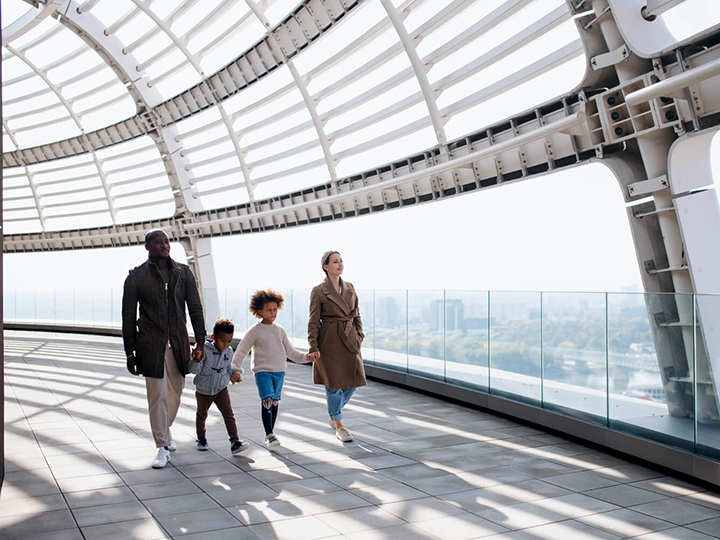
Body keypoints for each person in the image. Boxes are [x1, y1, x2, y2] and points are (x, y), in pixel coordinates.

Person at [122, 229, 206, 469]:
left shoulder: (183, 272)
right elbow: (128, 317)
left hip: (178, 342)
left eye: (167, 241)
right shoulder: (136, 277)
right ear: (147, 247)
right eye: (157, 242)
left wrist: (200, 340)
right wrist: (130, 353)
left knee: (176, 392)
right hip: (149, 345)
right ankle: (161, 445)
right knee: (156, 395)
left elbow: (195, 307)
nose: (164, 245)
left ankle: (165, 429)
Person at [230, 289, 318, 447]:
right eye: (269, 310)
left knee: (275, 401)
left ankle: (271, 432)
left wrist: (307, 357)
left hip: (279, 372)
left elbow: (291, 352)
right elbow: (242, 350)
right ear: (260, 311)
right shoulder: (255, 331)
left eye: (275, 309)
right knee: (267, 399)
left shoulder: (280, 331)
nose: (273, 313)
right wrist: (236, 369)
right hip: (262, 372)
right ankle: (269, 434)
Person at [308, 251, 366, 442]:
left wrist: (359, 335)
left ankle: (334, 413)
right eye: (335, 261)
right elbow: (313, 320)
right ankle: (340, 427)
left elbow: (356, 314)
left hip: (350, 338)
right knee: (333, 385)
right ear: (326, 266)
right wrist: (313, 346)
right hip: (329, 341)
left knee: (353, 382)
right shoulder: (318, 290)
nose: (340, 264)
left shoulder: (350, 287)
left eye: (341, 261)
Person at [189, 317, 249, 455]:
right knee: (202, 414)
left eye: (229, 341)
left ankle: (235, 442)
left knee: (229, 414)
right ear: (213, 337)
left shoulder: (228, 351)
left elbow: (227, 368)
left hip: (221, 389)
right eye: (222, 341)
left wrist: (233, 375)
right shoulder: (203, 350)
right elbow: (193, 370)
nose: (226, 344)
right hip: (204, 390)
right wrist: (196, 360)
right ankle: (201, 439)